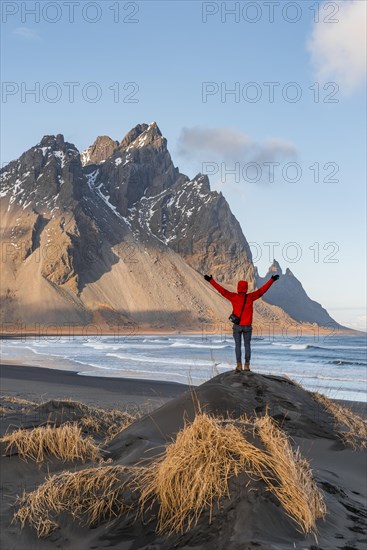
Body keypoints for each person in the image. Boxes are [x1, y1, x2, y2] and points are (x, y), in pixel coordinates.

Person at [204, 273, 279, 372]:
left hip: (237, 326)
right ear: (246, 288)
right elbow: (262, 290)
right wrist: (272, 280)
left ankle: (239, 365)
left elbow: (222, 291)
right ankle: (247, 365)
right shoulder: (251, 297)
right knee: (247, 346)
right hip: (247, 326)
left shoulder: (233, 297)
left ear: (238, 288)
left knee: (238, 346)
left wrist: (211, 281)